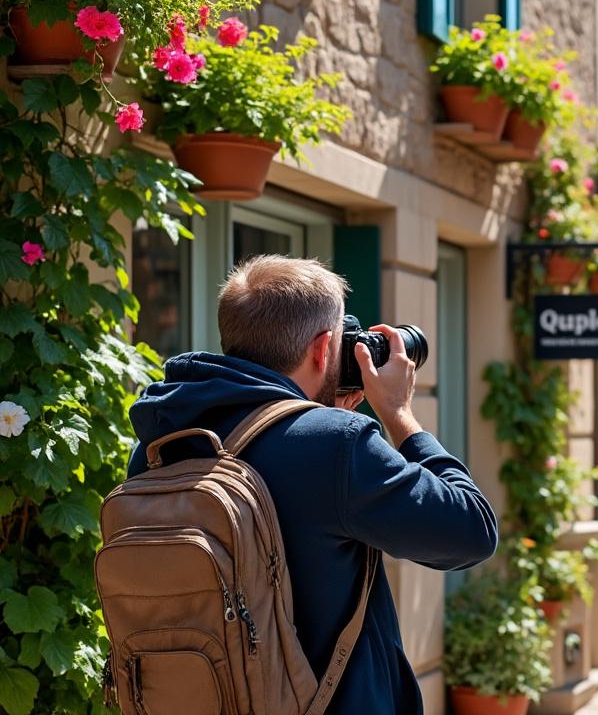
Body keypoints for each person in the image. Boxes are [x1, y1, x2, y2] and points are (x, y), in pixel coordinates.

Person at [126, 256, 499, 714]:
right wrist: (399, 416)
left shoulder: (159, 441)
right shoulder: (335, 446)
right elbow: (472, 532)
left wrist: (326, 414)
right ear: (325, 349)